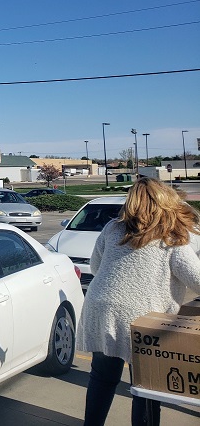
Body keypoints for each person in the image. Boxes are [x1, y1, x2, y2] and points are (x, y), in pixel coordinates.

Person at [77, 177, 200, 426]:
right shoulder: (173, 235)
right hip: (144, 317)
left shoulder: (113, 228)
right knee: (146, 386)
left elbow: (95, 266)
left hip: (101, 308)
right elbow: (196, 280)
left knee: (102, 377)